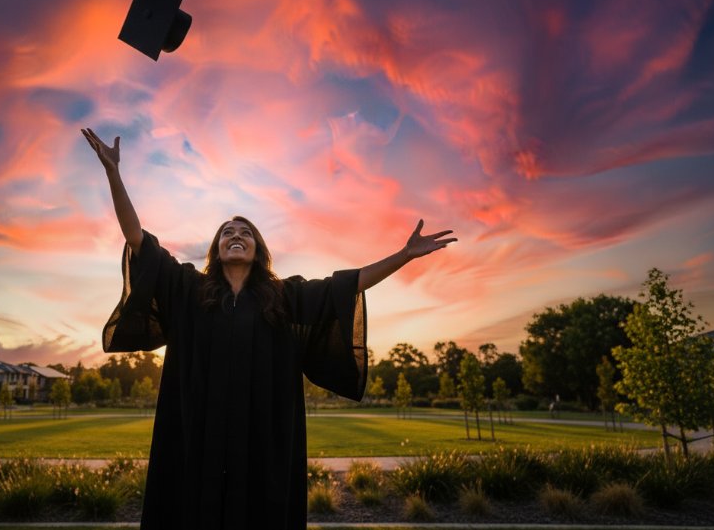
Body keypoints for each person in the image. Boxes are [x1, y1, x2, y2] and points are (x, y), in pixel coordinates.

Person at [83, 127, 456, 529]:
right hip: (196, 435)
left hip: (260, 439)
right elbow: (139, 241)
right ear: (217, 249)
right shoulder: (189, 290)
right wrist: (113, 173)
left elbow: (346, 286)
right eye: (228, 232)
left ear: (258, 248)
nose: (236, 236)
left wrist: (404, 255)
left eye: (245, 233)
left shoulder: (285, 297)